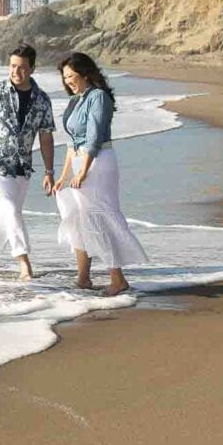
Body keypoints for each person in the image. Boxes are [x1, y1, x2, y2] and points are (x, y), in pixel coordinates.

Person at [52, 53, 148, 296]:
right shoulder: (76, 100)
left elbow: (93, 139)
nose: (68, 81)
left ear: (86, 74)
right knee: (78, 218)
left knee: (98, 218)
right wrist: (64, 175)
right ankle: (83, 277)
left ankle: (117, 278)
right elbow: (72, 142)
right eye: (65, 77)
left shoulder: (98, 98)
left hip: (96, 163)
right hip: (79, 163)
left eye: (72, 76)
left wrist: (83, 170)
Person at [0, 44, 56, 280]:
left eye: (23, 67)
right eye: (13, 66)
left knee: (3, 213)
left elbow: (46, 136)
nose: (17, 71)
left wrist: (49, 171)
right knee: (10, 210)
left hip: (22, 169)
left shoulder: (42, 100)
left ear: (32, 69)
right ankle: (24, 262)